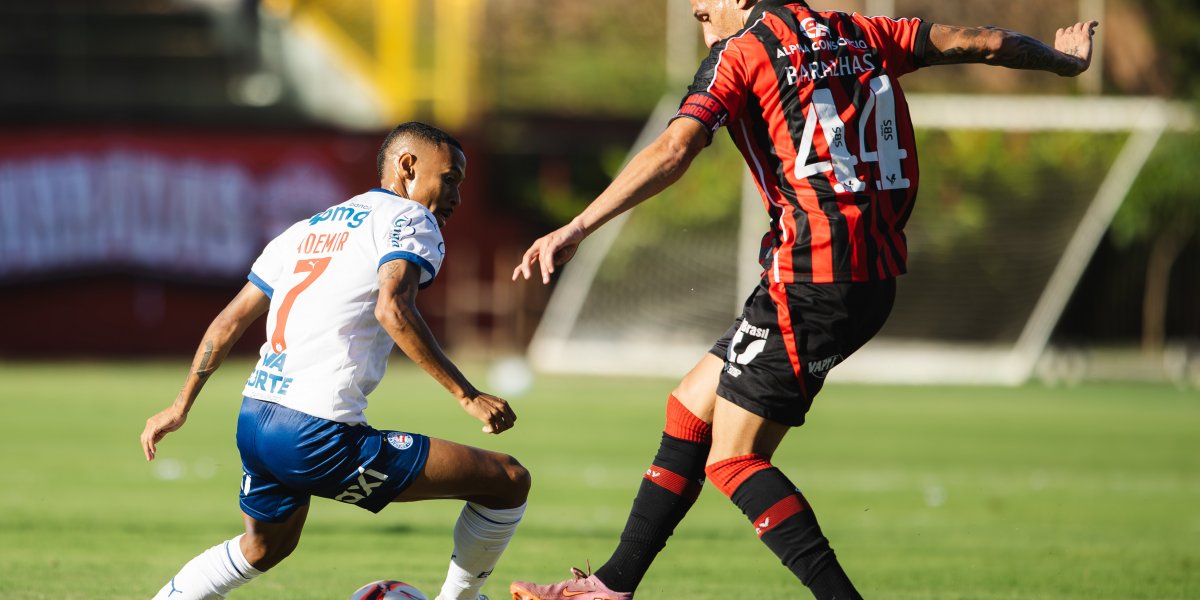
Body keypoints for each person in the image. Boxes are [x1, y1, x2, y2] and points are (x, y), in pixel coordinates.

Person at [509, 2, 1098, 599]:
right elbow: (986, 41)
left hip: (811, 281)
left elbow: (674, 150)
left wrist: (577, 226)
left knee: (732, 459)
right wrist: (1062, 61)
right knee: (690, 408)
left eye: (704, 4)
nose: (697, 13)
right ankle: (611, 586)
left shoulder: (740, 54)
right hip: (867, 277)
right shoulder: (863, 31)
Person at [141, 122, 529, 600]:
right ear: (407, 167)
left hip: (254, 419)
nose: (456, 196)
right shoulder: (409, 219)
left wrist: (180, 406)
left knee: (264, 548)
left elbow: (227, 323)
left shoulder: (306, 229)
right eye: (449, 179)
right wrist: (467, 395)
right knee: (507, 480)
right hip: (315, 432)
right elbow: (393, 308)